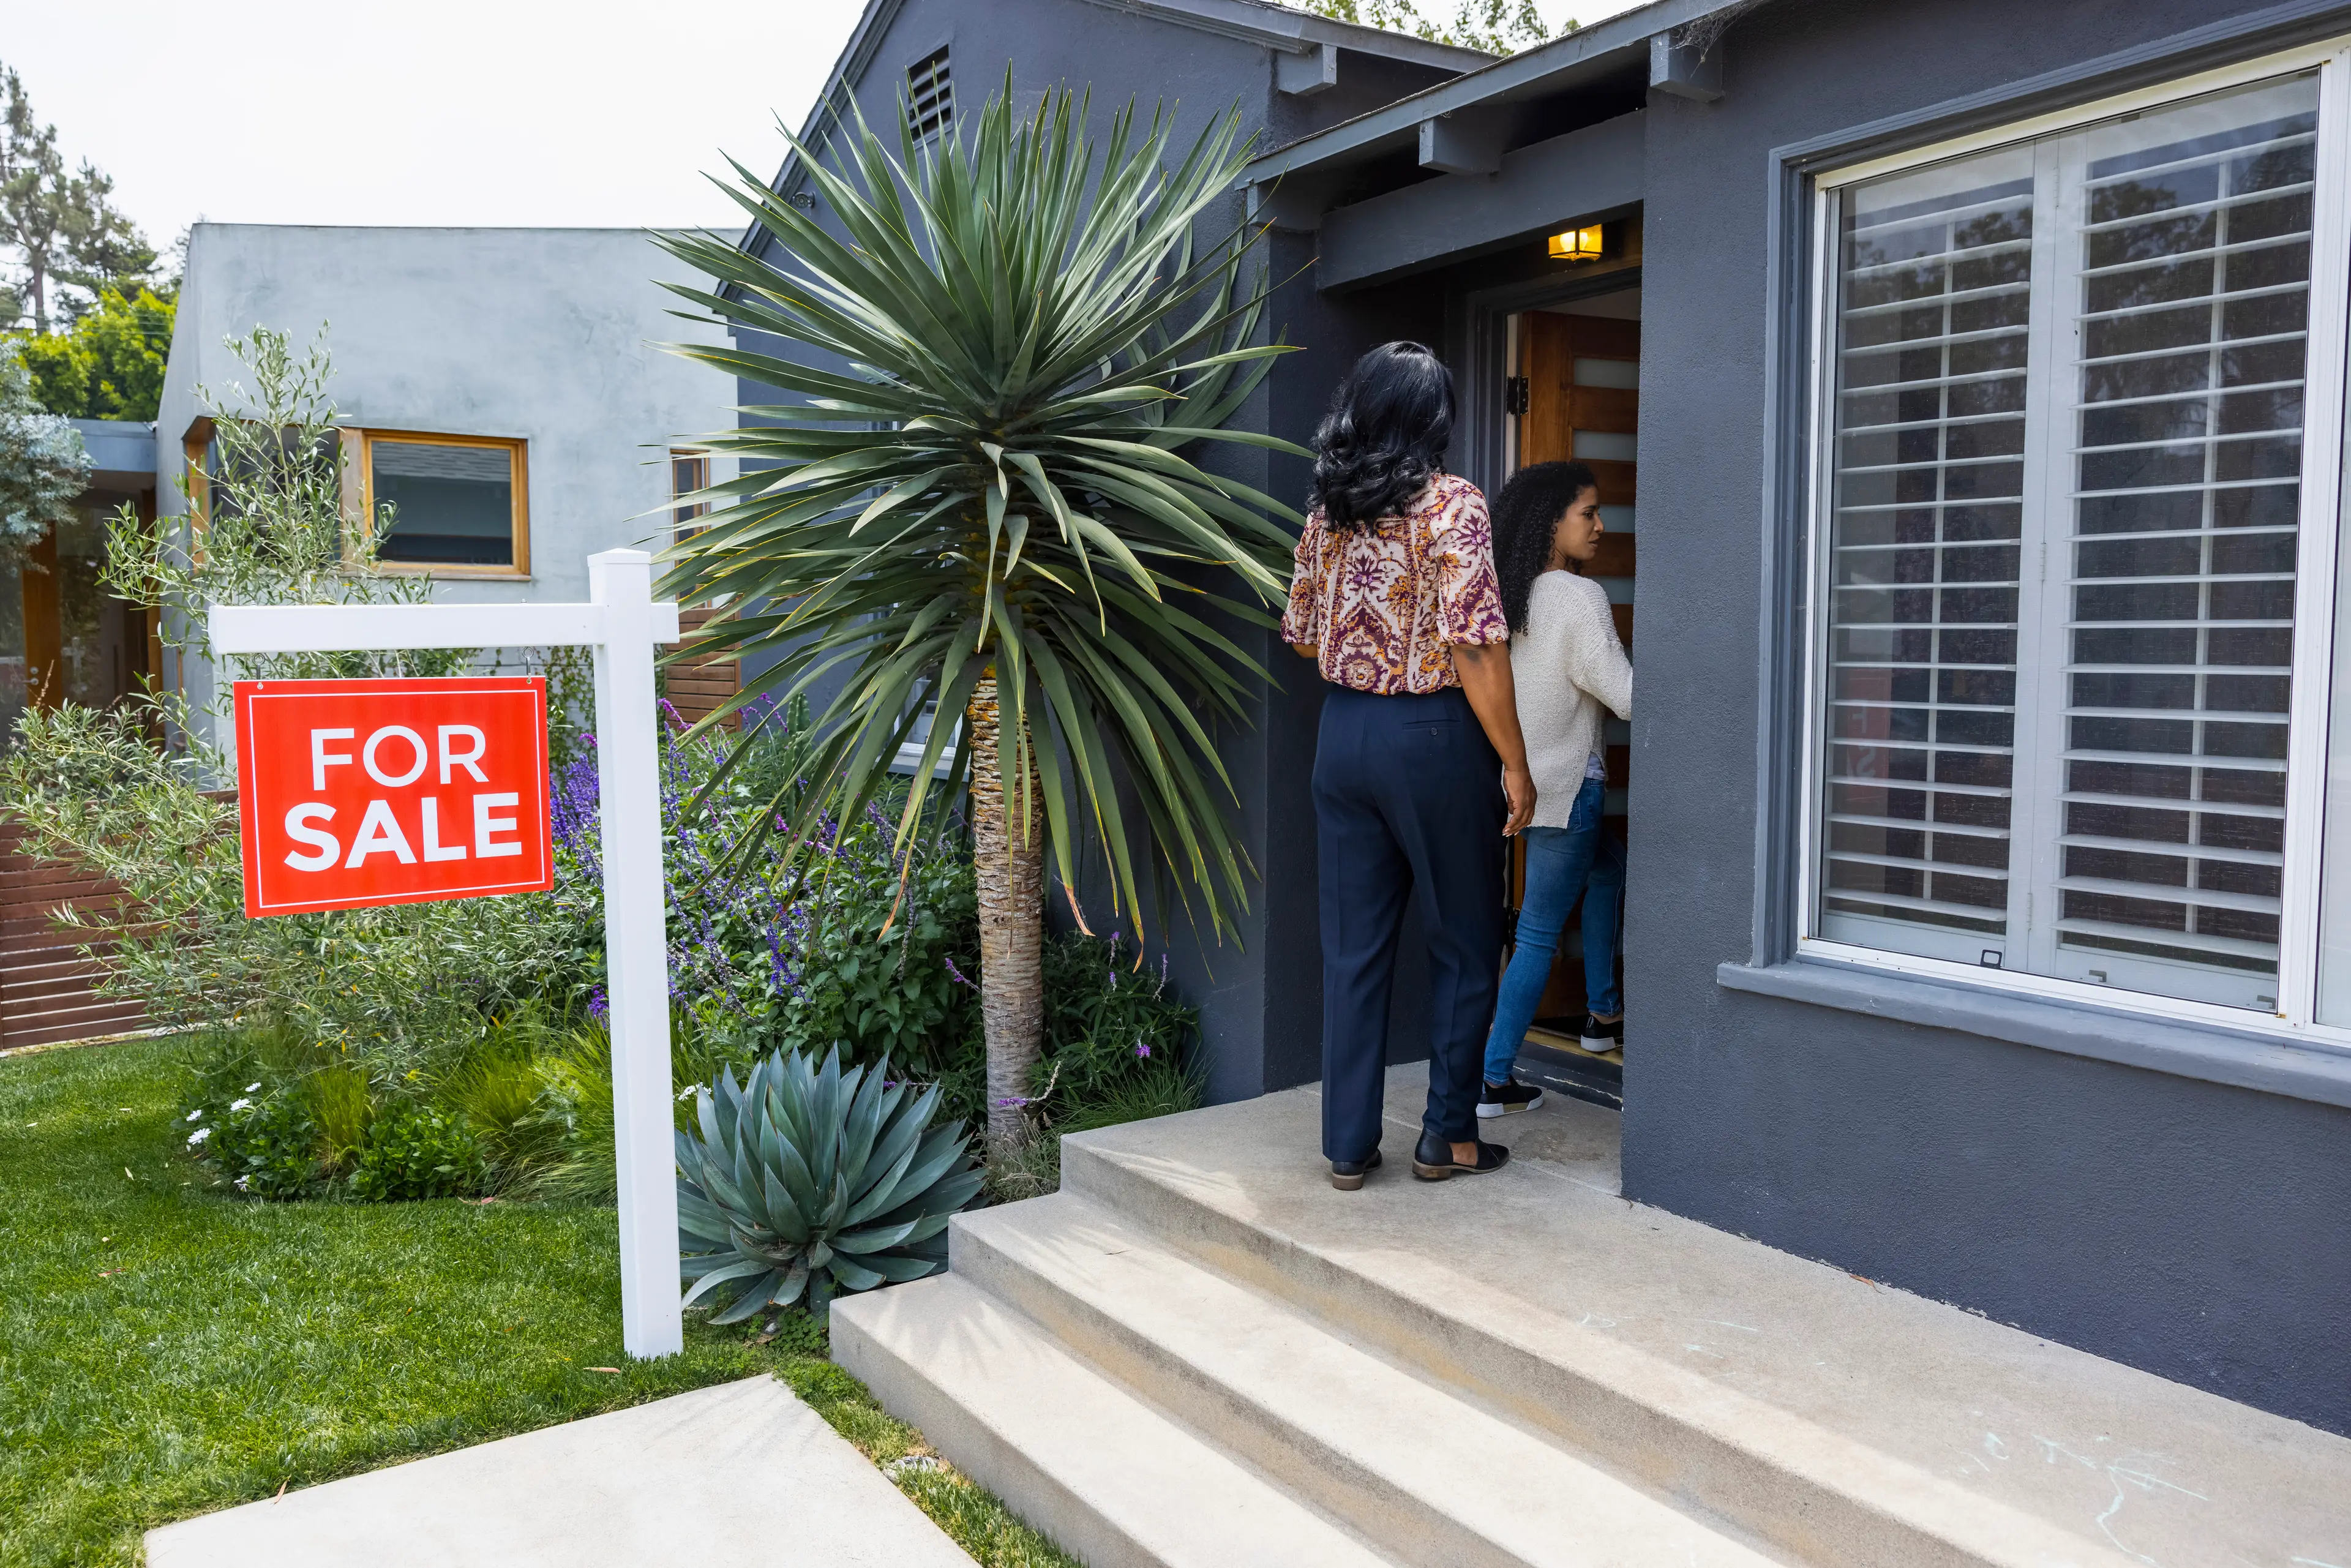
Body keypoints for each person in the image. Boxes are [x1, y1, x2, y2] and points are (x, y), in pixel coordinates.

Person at [1281, 342, 1537, 1190]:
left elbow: (1302, 634)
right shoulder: (1453, 503)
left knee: (1352, 950)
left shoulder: (1328, 508)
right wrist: (1516, 763)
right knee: (1465, 937)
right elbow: (1477, 646)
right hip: (1432, 735)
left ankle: (1348, 1146)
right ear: (1433, 418)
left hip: (1343, 732)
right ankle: (1448, 1136)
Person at [1475, 460, 1632, 1119]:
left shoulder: (1508, 593)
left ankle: (1601, 1013)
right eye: (1588, 513)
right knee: (1539, 934)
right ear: (1551, 522)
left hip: (1523, 788)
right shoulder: (1578, 596)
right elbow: (1626, 695)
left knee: (1609, 868)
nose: (1601, 525)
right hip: (1569, 790)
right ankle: (1492, 1078)